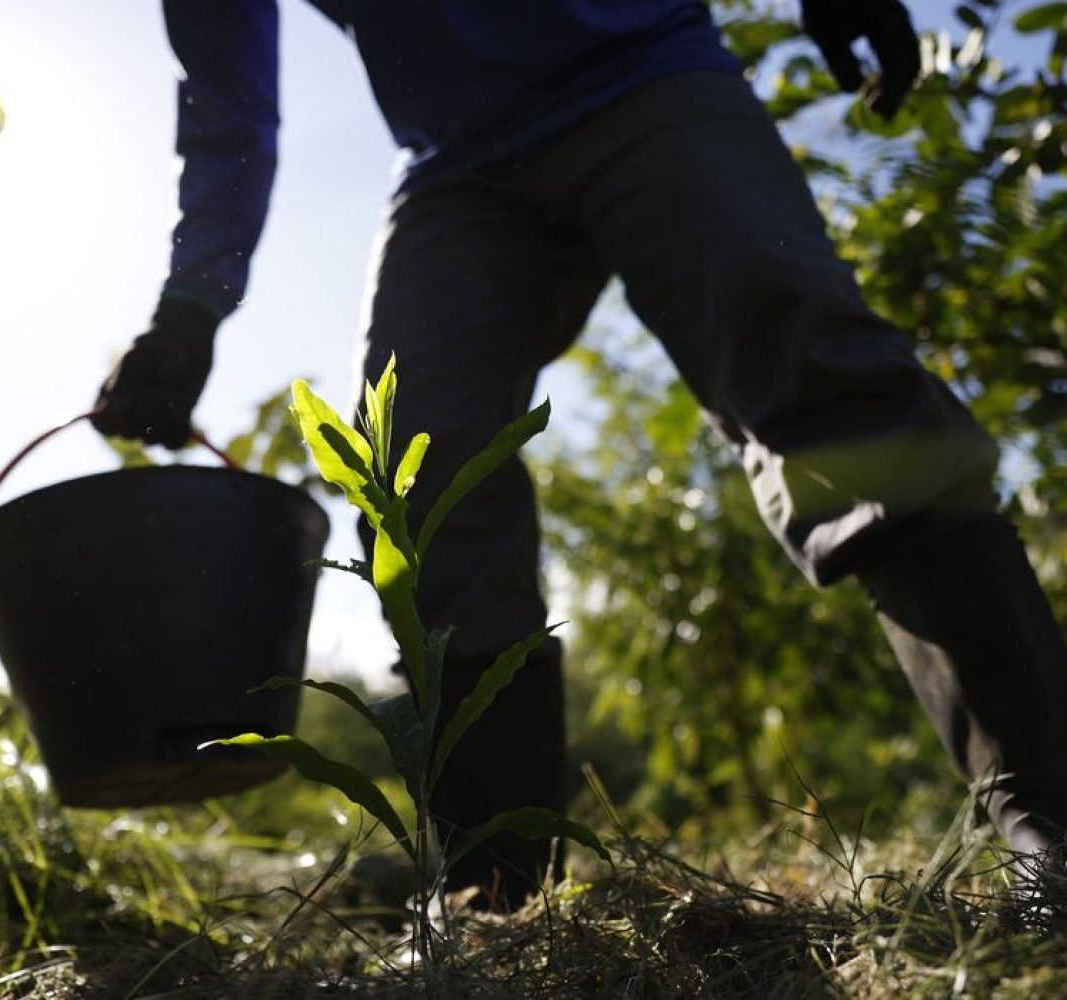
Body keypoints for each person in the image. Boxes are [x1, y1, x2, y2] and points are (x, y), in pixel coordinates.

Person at [92, 0, 1067, 906]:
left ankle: (1050, 814)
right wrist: (190, 310)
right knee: (409, 479)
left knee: (812, 361)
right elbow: (225, 103)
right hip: (456, 161)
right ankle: (493, 889)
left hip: (640, 63)